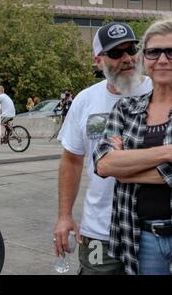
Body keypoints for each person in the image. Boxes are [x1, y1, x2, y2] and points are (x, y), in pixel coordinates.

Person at [53, 22, 152, 275]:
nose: (128, 59)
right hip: (100, 230)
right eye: (116, 53)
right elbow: (72, 161)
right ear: (98, 61)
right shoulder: (86, 100)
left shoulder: (159, 91)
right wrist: (65, 216)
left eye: (132, 50)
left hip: (152, 231)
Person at [94, 18, 172, 275]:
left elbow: (117, 167)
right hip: (142, 238)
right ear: (145, 59)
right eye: (153, 51)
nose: (162, 59)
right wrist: (166, 153)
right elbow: (104, 163)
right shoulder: (126, 110)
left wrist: (126, 168)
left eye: (171, 51)